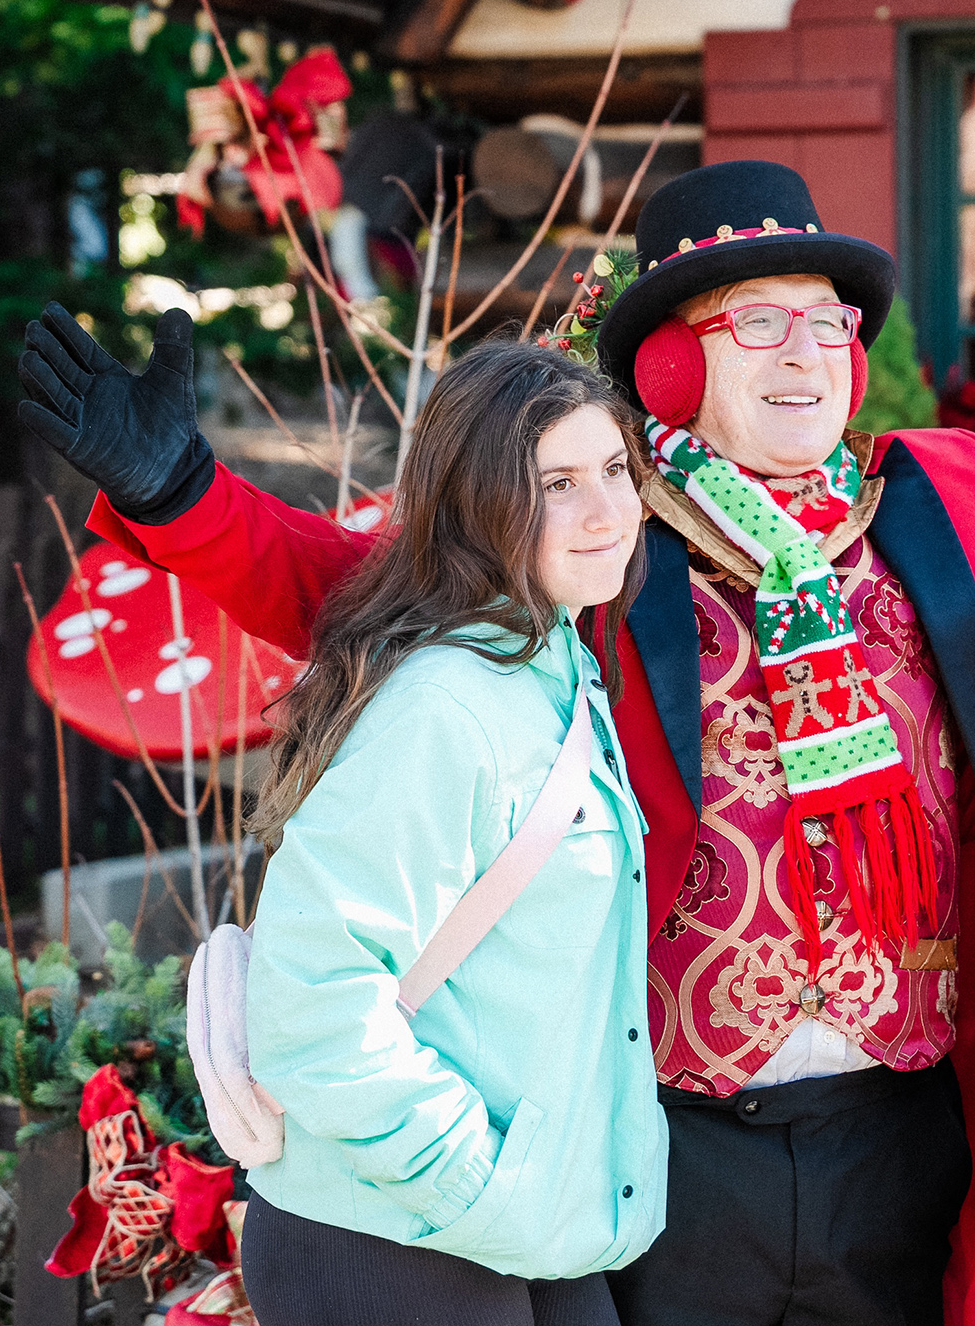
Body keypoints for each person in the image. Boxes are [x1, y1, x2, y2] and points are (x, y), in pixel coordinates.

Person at [16, 160, 975, 1326]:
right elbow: (350, 590)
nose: (808, 354)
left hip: (904, 1129)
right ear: (673, 362)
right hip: (670, 1137)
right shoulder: (590, 519)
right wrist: (179, 500)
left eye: (831, 323)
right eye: (756, 321)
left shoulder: (946, 500)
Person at [213, 340, 661, 1326]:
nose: (608, 511)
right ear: (479, 505)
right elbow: (315, 1007)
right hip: (394, 1235)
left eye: (615, 471)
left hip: (521, 1222)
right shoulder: (445, 708)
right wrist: (478, 1184)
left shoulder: (554, 665)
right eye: (557, 484)